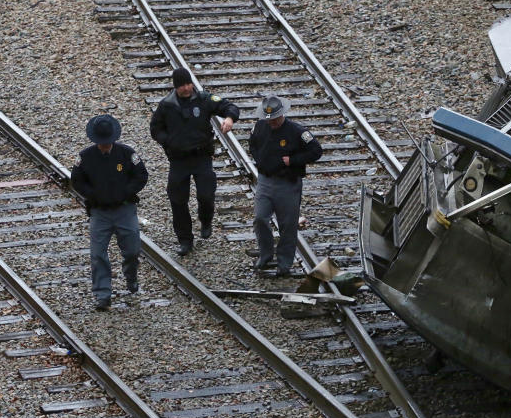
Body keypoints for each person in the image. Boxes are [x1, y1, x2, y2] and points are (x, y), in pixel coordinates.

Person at [149, 67, 239, 256]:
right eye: (182, 85)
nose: (187, 88)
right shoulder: (166, 105)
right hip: (179, 160)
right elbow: (155, 129)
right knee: (178, 200)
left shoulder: (204, 99)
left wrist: (229, 118)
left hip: (201, 157)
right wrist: (169, 141)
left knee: (206, 195)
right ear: (176, 87)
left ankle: (206, 220)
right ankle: (185, 240)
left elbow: (228, 106)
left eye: (189, 83)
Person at [71, 114, 148, 311]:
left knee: (132, 250)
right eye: (101, 143)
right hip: (100, 213)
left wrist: (126, 192)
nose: (104, 146)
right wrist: (92, 195)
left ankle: (131, 276)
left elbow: (141, 175)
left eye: (107, 142)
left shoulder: (127, 154)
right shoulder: (85, 157)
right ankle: (102, 294)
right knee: (98, 255)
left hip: (124, 209)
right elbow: (76, 180)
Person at [248, 95, 322, 276]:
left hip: (288, 184)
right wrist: (261, 161)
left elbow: (316, 151)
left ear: (281, 115)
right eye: (269, 119)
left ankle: (284, 263)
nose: (271, 122)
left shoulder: (297, 131)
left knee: (288, 225)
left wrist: (294, 161)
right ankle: (265, 255)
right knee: (260, 218)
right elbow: (253, 145)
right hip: (265, 181)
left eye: (274, 119)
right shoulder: (259, 127)